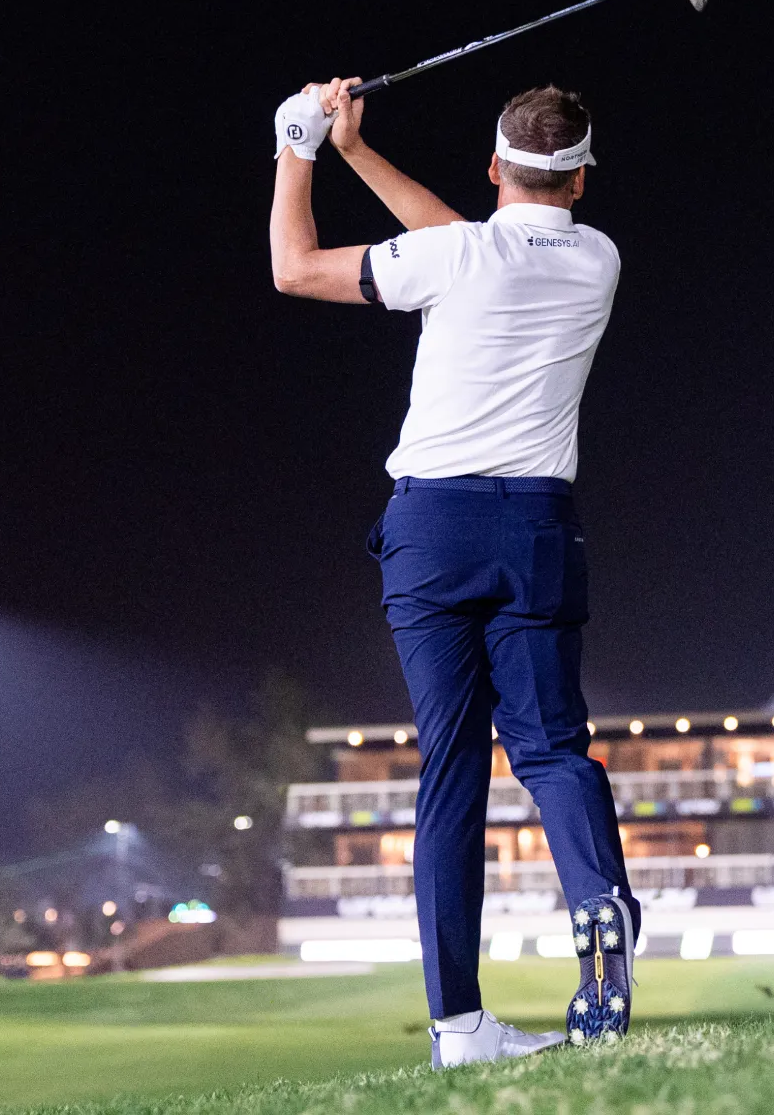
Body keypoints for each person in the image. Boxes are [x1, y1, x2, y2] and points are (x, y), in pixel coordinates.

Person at [269, 76, 640, 1067]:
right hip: (537, 530)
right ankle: (602, 904)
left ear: (490, 168)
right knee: (554, 746)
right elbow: (471, 239)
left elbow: (295, 268)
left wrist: (296, 144)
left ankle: (459, 1025)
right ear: (583, 180)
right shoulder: (597, 259)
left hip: (432, 531)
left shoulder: (458, 255)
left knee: (452, 768)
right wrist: (354, 151)